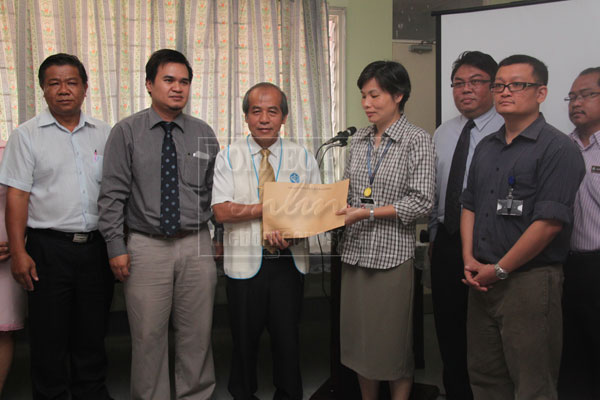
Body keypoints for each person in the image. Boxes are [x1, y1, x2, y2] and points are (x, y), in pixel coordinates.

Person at [460, 54, 585, 400]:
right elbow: (469, 204)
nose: (505, 92)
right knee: (485, 378)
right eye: (499, 85)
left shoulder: (558, 148)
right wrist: (469, 258)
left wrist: (499, 269)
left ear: (541, 92)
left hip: (529, 281)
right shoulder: (487, 146)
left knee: (533, 384)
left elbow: (548, 225)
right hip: (481, 279)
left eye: (518, 85)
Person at [98, 49, 220, 400]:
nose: (177, 88)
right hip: (145, 246)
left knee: (197, 334)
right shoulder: (126, 132)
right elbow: (111, 196)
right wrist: (115, 248)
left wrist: (219, 237)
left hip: (195, 243)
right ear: (150, 84)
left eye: (184, 81)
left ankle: (195, 395)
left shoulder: (203, 133)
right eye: (168, 80)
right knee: (148, 336)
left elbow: (216, 191)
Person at [0, 53, 114, 400]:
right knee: (49, 339)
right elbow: (16, 196)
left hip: (97, 248)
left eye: (71, 82)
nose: (63, 90)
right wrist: (19, 252)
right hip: (48, 249)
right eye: (54, 83)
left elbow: (116, 191)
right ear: (43, 90)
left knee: (92, 334)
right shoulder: (26, 136)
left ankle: (91, 394)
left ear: (85, 88)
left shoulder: (105, 133)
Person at [211, 82, 321, 400]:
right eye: (256, 111)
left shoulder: (301, 157)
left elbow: (315, 211)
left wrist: (292, 230)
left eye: (272, 111)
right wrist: (272, 207)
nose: (264, 119)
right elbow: (221, 210)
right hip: (244, 266)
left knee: (288, 340)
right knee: (244, 340)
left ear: (283, 117)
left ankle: (288, 394)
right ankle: (243, 393)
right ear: (245, 116)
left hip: (288, 264)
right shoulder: (228, 157)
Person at [336, 61, 435, 400]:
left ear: (398, 95)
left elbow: (422, 202)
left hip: (392, 257)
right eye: (363, 95)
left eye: (374, 95)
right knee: (361, 342)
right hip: (355, 254)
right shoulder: (359, 139)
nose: (367, 103)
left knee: (392, 345)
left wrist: (368, 213)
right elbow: (349, 193)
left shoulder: (417, 140)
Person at [428, 50, 503, 400]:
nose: (465, 90)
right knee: (448, 327)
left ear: (493, 86)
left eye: (475, 82)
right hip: (446, 242)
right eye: (458, 83)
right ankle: (455, 392)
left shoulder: (508, 130)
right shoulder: (443, 132)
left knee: (488, 334)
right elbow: (435, 189)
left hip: (491, 247)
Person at [558, 67, 600, 400]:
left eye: (586, 95)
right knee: (569, 355)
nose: (576, 103)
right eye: (572, 96)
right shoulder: (560, 147)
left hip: (599, 264)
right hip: (565, 266)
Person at [0, 139, 26, 396]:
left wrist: (19, 246)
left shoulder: (10, 149)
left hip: (7, 252)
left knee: (2, 330)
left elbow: (25, 199)